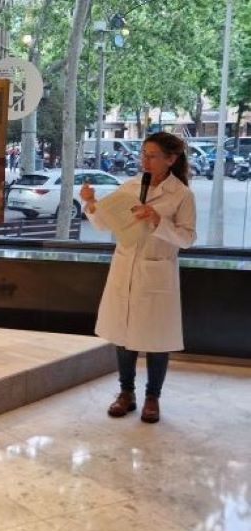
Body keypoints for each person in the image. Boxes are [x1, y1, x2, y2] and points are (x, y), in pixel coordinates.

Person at [79, 132, 196, 423]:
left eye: (152, 156)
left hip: (156, 271)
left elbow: (187, 238)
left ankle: (152, 397)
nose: (145, 160)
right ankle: (126, 393)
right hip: (125, 268)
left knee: (157, 338)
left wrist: (157, 220)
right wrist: (91, 204)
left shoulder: (181, 194)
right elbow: (105, 224)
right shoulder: (131, 186)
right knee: (123, 336)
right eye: (143, 154)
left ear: (171, 160)